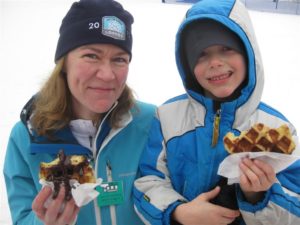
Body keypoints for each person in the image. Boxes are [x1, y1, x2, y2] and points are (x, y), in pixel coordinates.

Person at [133, 0, 300, 224]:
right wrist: (178, 212)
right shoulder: (166, 117)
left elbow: (295, 209)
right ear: (187, 64)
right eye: (201, 54)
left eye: (226, 49)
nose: (215, 62)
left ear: (248, 53)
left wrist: (258, 196)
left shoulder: (277, 129)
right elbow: (148, 180)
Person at [3, 0, 156, 225]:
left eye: (119, 59)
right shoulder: (27, 137)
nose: (107, 74)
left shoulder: (151, 122)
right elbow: (22, 217)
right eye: (91, 56)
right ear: (64, 64)